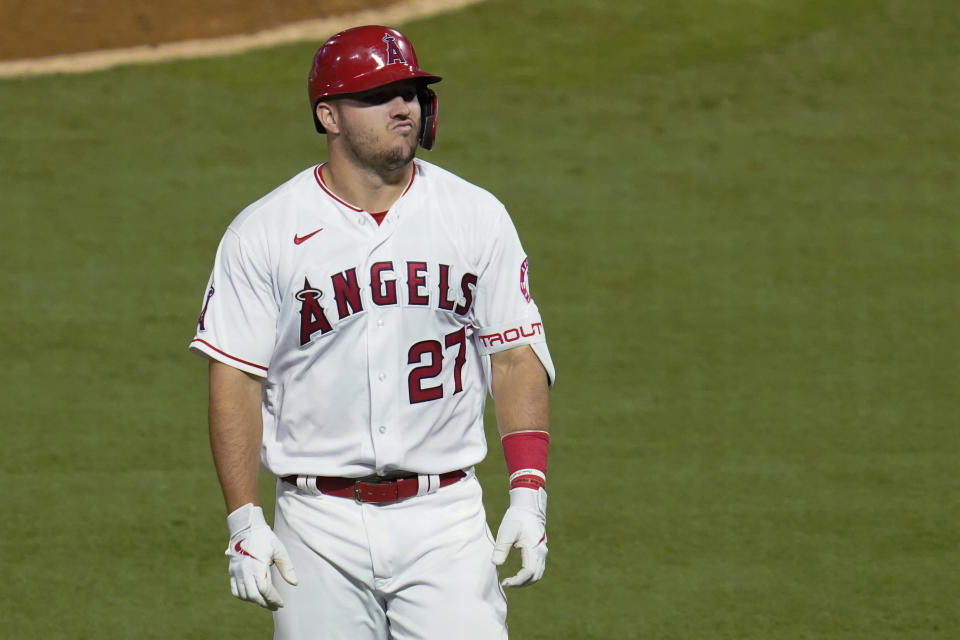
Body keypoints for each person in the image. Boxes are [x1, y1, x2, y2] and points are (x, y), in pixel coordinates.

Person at [189, 25, 555, 640]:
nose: (403, 106)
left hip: (447, 520)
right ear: (328, 116)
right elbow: (235, 376)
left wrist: (528, 492)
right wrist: (244, 519)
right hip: (315, 525)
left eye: (409, 91)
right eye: (378, 94)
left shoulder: (475, 216)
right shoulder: (265, 231)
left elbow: (515, 356)